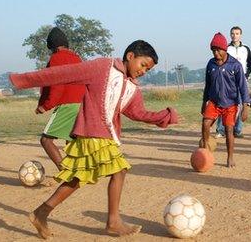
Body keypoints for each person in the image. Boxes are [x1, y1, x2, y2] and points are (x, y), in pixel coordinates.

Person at [10, 40, 178, 238]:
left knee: (77, 179)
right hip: (92, 133)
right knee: (119, 170)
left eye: (148, 70)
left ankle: (41, 212)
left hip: (104, 136)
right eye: (143, 65)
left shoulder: (133, 87)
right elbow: (65, 73)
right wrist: (23, 80)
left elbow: (138, 113)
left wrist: (164, 116)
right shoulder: (103, 67)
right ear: (130, 56)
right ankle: (113, 222)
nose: (143, 71)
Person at [36, 27, 85, 171]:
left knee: (46, 140)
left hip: (67, 105)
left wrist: (45, 105)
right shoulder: (77, 58)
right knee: (72, 140)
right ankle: (80, 170)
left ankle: (65, 172)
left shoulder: (56, 58)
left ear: (52, 46)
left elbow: (55, 85)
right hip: (82, 104)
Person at [201, 32, 250, 167]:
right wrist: (203, 103)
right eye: (213, 50)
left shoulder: (235, 65)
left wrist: (245, 107)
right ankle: (205, 150)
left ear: (225, 49)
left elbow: (243, 87)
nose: (215, 53)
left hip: (230, 104)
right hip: (214, 102)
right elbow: (208, 85)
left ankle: (230, 157)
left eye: (218, 50)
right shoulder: (211, 64)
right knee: (205, 124)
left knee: (229, 130)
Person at [215, 26, 251, 138]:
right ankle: (220, 130)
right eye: (232, 33)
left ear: (240, 35)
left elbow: (250, 63)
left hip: (242, 81)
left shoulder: (246, 49)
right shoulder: (226, 48)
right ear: (230, 35)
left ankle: (238, 130)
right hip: (228, 81)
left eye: (237, 33)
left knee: (240, 105)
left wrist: (246, 76)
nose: (234, 35)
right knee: (223, 103)